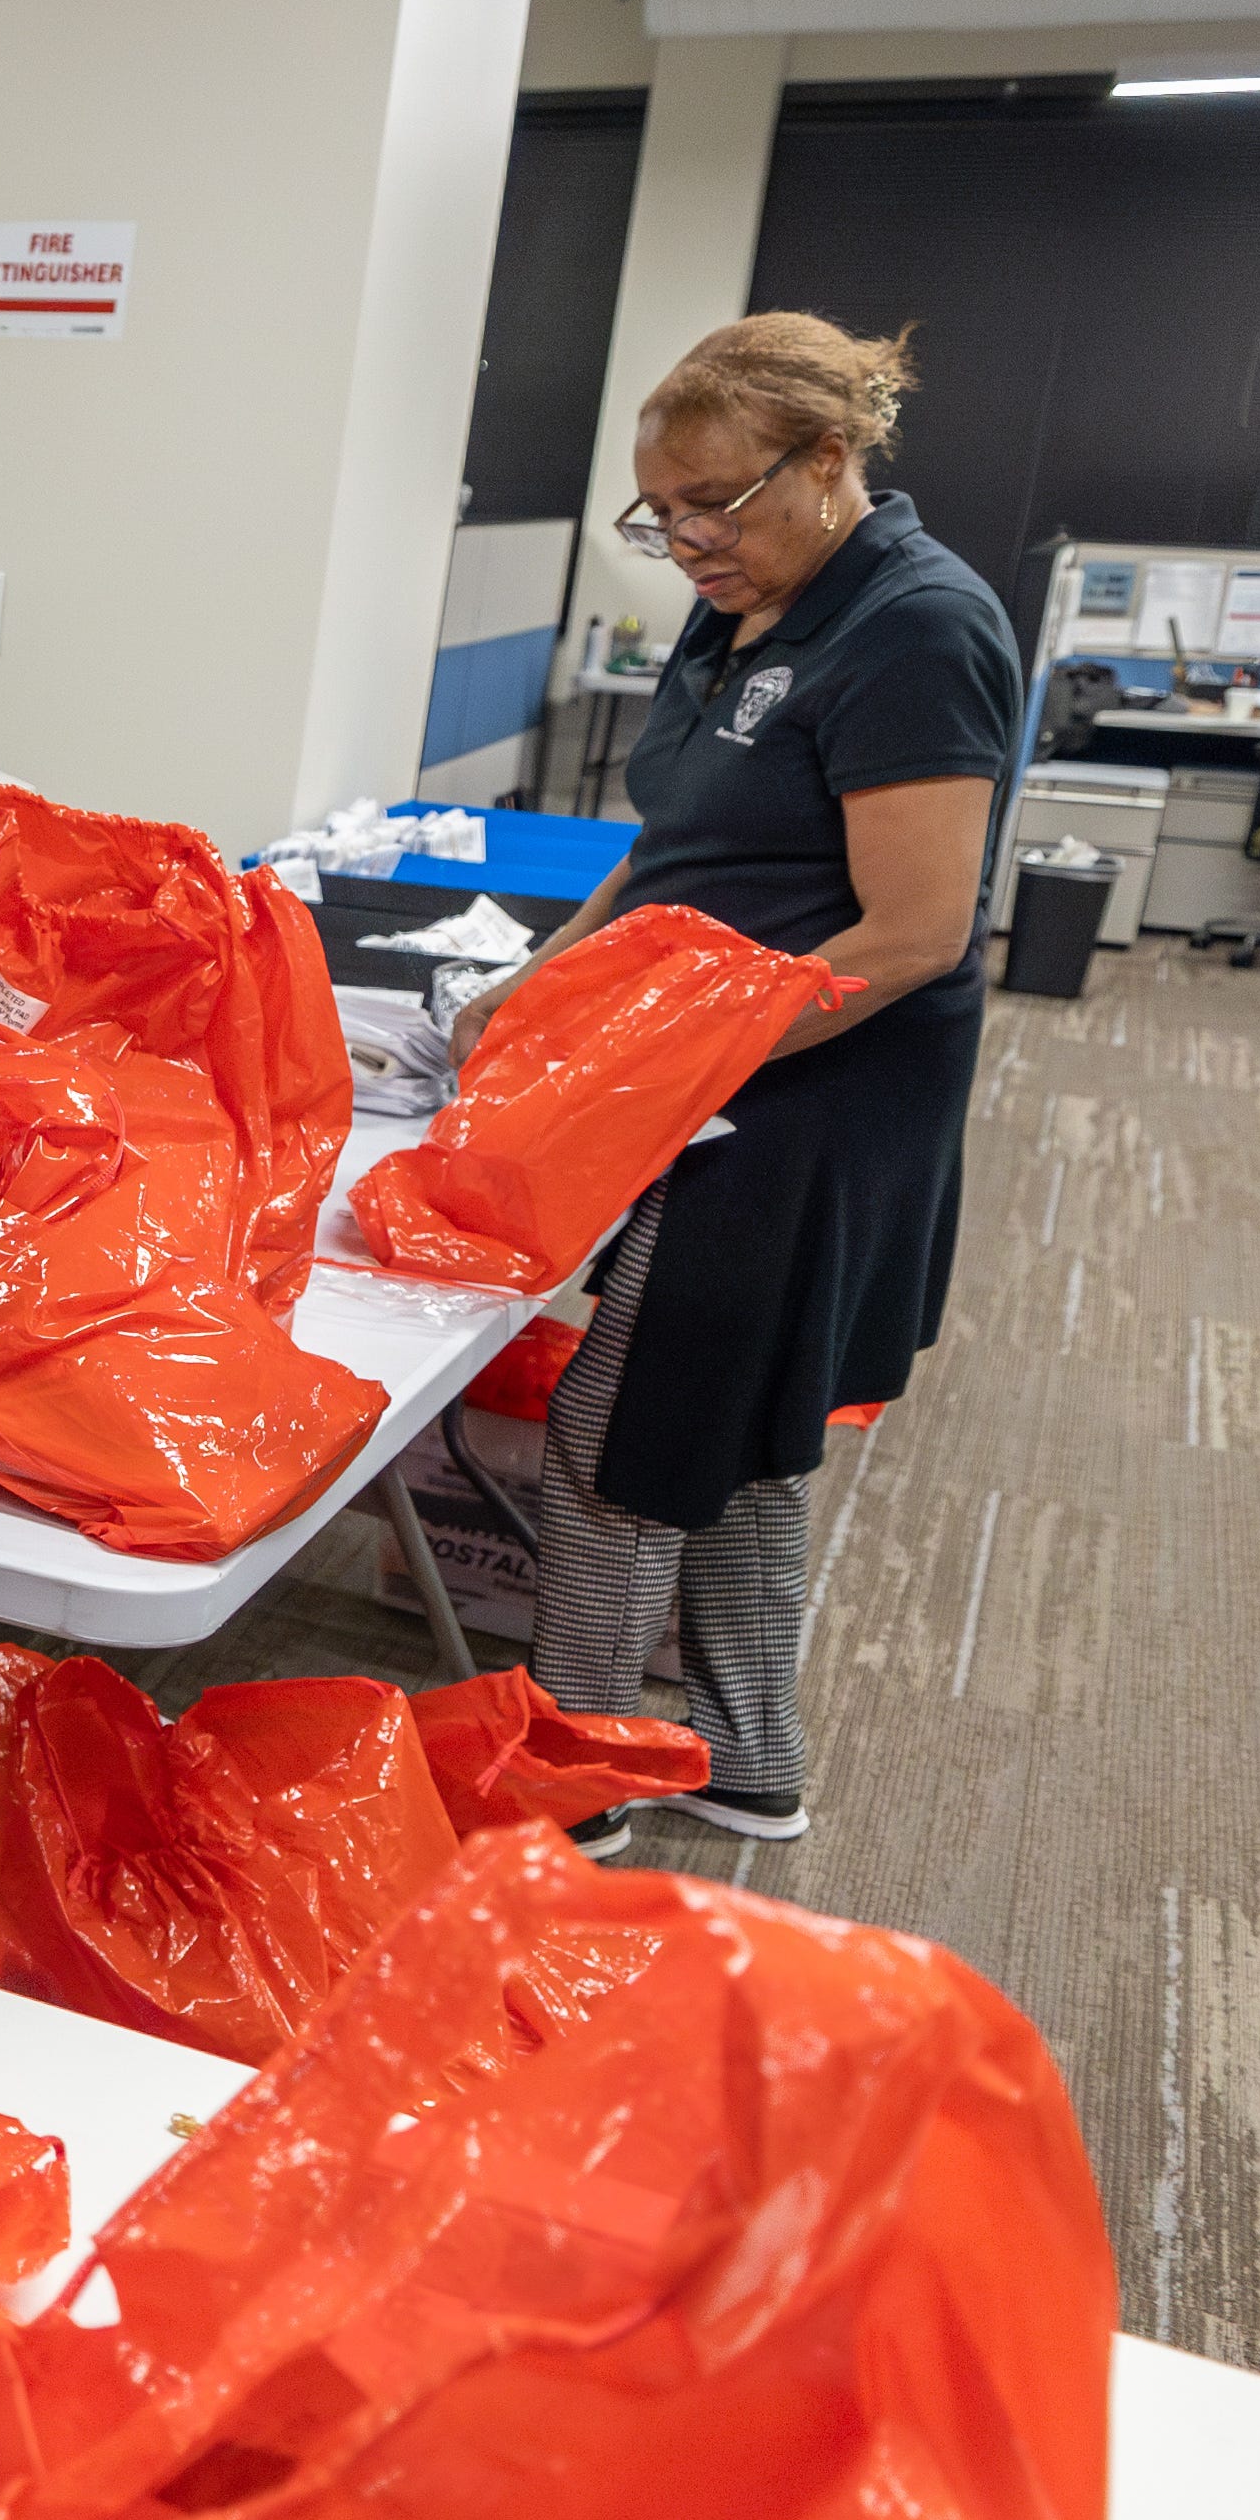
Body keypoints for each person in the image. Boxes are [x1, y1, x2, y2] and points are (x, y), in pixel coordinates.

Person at [466, 313, 1021, 1847]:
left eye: (712, 502)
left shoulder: (913, 624)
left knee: (618, 1426)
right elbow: (671, 832)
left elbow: (913, 931)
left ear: (826, 461)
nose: (684, 541)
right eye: (658, 513)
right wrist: (547, 975)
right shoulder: (746, 601)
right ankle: (747, 1748)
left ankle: (578, 1776)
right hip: (700, 1064)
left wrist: (650, 1060)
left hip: (811, 1094)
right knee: (740, 1412)